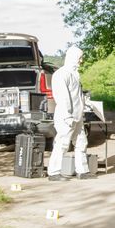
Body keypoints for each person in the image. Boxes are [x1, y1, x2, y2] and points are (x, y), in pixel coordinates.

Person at [47, 46, 96, 181]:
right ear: (73, 57)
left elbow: (76, 96)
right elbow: (62, 97)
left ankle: (82, 171)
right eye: (80, 58)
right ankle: (54, 172)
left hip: (77, 116)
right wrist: (68, 115)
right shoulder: (62, 74)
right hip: (66, 117)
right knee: (62, 144)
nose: (81, 61)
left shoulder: (74, 74)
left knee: (81, 142)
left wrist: (85, 106)